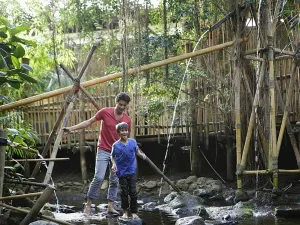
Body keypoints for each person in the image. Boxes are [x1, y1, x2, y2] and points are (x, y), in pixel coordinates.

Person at [63, 92, 131, 216]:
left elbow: (126, 137)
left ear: (126, 106)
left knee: (115, 180)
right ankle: (88, 205)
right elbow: (88, 122)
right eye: (120, 104)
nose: (121, 107)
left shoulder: (127, 119)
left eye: (124, 105)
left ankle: (110, 206)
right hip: (104, 150)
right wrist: (71, 129)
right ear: (116, 102)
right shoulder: (105, 112)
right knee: (99, 177)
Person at [111, 122, 146, 219]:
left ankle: (134, 212)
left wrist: (141, 155)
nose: (124, 132)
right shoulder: (116, 145)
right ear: (118, 132)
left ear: (128, 131)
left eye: (126, 130)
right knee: (124, 193)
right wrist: (114, 164)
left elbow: (137, 151)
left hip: (132, 170)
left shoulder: (133, 142)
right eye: (122, 130)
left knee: (133, 192)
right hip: (121, 172)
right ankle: (126, 211)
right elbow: (112, 156)